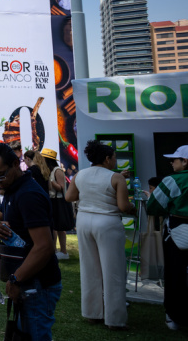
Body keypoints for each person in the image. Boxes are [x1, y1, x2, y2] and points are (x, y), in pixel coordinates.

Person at [0, 142, 61, 341]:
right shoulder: (13, 187)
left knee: (35, 335)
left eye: (0, 174)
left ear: (16, 164)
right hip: (28, 279)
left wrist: (15, 278)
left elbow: (45, 247)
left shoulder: (28, 194)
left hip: (37, 283)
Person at [64, 140, 134, 330]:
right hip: (108, 223)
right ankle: (115, 319)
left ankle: (92, 314)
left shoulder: (80, 174)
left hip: (85, 221)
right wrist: (133, 208)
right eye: (114, 158)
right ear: (107, 158)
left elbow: (69, 197)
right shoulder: (116, 178)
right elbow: (124, 206)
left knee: (89, 268)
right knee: (114, 271)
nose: (115, 161)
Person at [145, 144, 188, 331]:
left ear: (185, 161)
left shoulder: (173, 180)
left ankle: (174, 316)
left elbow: (153, 206)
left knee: (174, 273)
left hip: (177, 233)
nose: (171, 162)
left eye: (175, 159)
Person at [41, 148, 72, 259]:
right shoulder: (49, 170)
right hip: (51, 200)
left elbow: (61, 188)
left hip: (58, 201)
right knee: (53, 227)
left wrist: (50, 182)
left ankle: (63, 251)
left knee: (59, 227)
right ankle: (53, 250)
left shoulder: (57, 170)